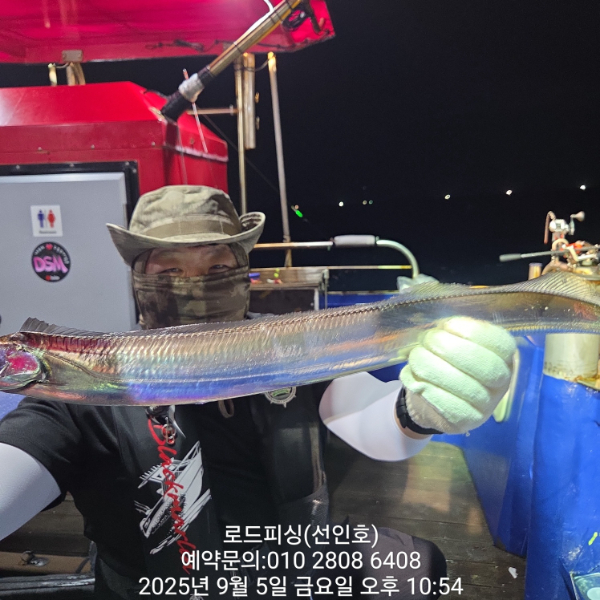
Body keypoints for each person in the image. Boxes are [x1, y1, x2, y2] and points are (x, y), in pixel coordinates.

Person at [0, 186, 516, 599]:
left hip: (290, 567)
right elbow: (24, 455)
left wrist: (421, 408)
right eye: (170, 271)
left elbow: (375, 418)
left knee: (420, 567)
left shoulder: (289, 347)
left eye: (216, 268)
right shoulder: (91, 381)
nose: (194, 283)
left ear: (243, 272)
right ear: (138, 279)